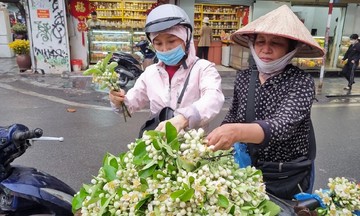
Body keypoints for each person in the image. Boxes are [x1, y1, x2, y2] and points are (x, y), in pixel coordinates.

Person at [206, 5, 324, 198]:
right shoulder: (244, 77)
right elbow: (234, 115)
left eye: (276, 43)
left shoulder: (301, 82)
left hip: (287, 173)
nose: (266, 49)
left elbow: (282, 125)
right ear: (252, 44)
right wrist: (217, 138)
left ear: (290, 49)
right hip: (250, 167)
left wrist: (236, 132)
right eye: (260, 41)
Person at [109, 4, 224, 134]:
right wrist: (118, 102)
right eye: (158, 43)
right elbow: (129, 106)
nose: (165, 48)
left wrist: (184, 118)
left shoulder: (203, 69)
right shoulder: (151, 73)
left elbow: (213, 98)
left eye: (171, 41)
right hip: (158, 146)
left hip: (192, 148)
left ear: (185, 38)